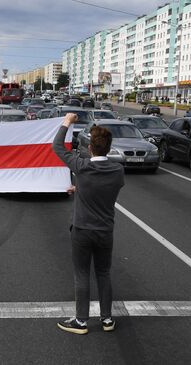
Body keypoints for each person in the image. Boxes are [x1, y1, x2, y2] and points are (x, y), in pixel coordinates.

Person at [52, 113, 125, 335]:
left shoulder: (81, 166)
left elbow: (57, 146)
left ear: (90, 148)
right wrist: (80, 188)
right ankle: (107, 319)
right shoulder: (117, 171)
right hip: (105, 231)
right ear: (109, 148)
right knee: (103, 273)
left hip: (83, 230)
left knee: (82, 274)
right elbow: (103, 188)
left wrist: (67, 122)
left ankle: (81, 322)